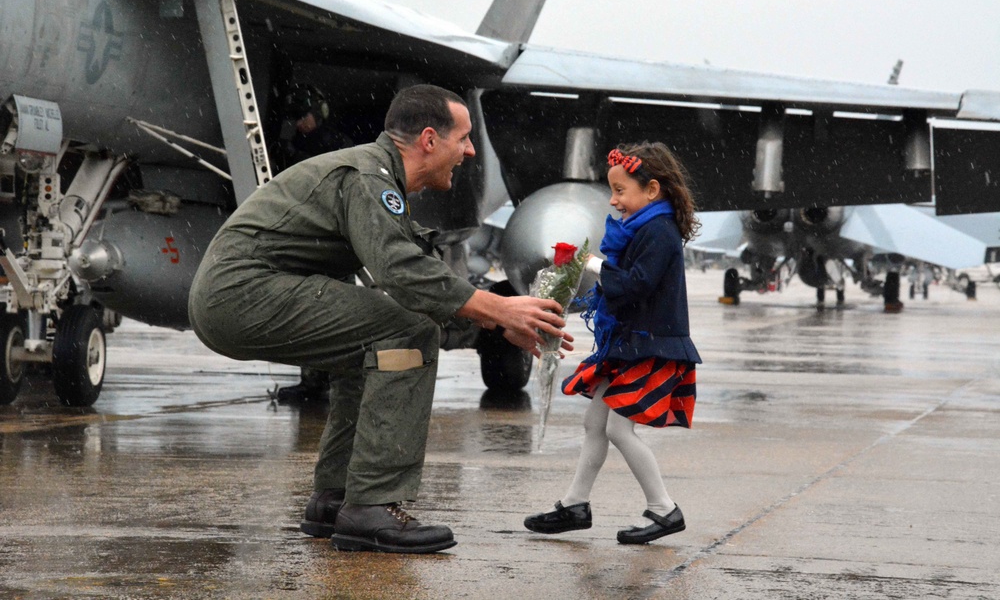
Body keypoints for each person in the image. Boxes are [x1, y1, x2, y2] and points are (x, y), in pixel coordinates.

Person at [189, 84, 572, 554]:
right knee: (407, 332)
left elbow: (417, 273)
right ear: (429, 140)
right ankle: (373, 504)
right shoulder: (368, 177)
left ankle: (337, 498)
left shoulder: (374, 177)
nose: (470, 151)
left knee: (373, 349)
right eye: (465, 138)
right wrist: (498, 307)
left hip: (235, 297)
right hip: (243, 294)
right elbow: (400, 271)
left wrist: (497, 323)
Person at [524, 142, 701, 545]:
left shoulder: (660, 230)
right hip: (630, 343)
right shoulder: (642, 227)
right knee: (595, 425)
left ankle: (664, 509)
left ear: (652, 190)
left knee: (620, 430)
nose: (613, 199)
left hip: (651, 345)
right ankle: (575, 504)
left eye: (621, 190)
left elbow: (637, 284)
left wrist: (591, 265)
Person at [271, 84, 356, 403]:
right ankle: (313, 383)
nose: (300, 123)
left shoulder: (335, 145)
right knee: (309, 314)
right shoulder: (292, 144)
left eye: (303, 116)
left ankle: (341, 380)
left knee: (337, 313)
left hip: (332, 240)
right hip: (309, 238)